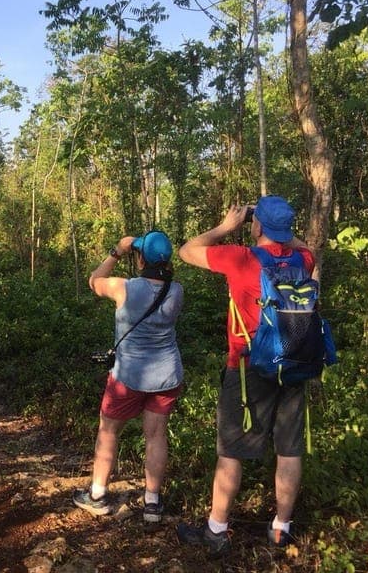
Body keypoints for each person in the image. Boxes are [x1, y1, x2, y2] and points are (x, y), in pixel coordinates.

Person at [175, 195, 314, 556]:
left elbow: (187, 251)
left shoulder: (241, 258)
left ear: (257, 226)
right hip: (296, 365)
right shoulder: (305, 259)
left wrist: (227, 226)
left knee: (232, 451)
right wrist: (280, 229)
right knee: (289, 449)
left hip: (248, 367)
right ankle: (282, 528)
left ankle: (217, 529)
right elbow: (303, 246)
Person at [72, 230, 184, 524]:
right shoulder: (177, 291)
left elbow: (93, 281)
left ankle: (97, 495)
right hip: (167, 375)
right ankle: (152, 504)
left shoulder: (125, 288)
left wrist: (116, 251)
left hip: (129, 376)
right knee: (156, 435)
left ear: (141, 258)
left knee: (108, 431)